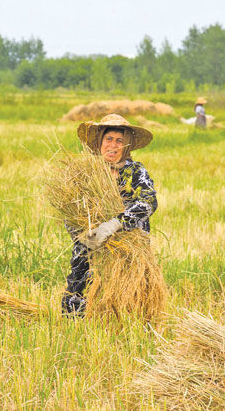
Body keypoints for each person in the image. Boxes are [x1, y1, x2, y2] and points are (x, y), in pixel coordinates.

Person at [62, 114, 157, 315]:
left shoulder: (135, 172)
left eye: (119, 140)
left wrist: (114, 225)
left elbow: (148, 202)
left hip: (129, 252)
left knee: (130, 305)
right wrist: (83, 233)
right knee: (76, 301)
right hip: (89, 248)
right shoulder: (86, 172)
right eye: (109, 139)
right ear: (99, 142)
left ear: (127, 146)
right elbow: (69, 209)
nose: (113, 145)